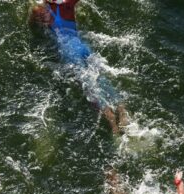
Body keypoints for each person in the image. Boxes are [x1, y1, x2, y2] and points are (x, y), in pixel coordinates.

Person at [31, 0, 128, 134]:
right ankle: (123, 115)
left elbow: (34, 26)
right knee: (101, 77)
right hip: (83, 46)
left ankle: (113, 125)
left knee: (90, 86)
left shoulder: (39, 9)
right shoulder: (68, 5)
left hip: (68, 51)